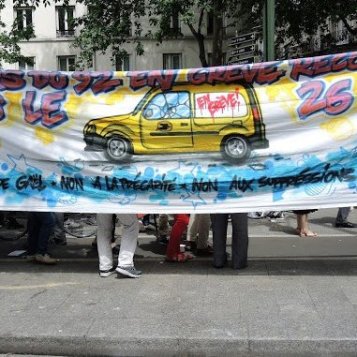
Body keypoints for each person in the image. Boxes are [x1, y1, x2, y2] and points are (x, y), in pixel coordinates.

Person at [96, 213, 141, 278]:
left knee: (103, 228)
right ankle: (125, 264)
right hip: (117, 202)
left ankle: (105, 267)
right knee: (131, 225)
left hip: (99, 203)